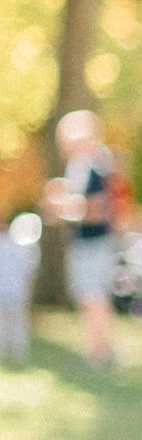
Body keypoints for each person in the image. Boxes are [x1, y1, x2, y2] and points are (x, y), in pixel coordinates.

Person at [45, 109, 119, 368]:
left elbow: (97, 209)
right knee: (90, 296)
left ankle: (99, 351)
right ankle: (99, 347)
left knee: (93, 295)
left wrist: (64, 208)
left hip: (94, 241)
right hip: (88, 241)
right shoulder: (82, 166)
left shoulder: (94, 166)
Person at [0, 211, 41, 365]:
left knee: (12, 324)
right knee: (14, 324)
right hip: (16, 292)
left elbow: (30, 273)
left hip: (13, 292)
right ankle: (16, 355)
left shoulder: (24, 246)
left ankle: (13, 354)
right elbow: (31, 273)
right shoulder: (27, 248)